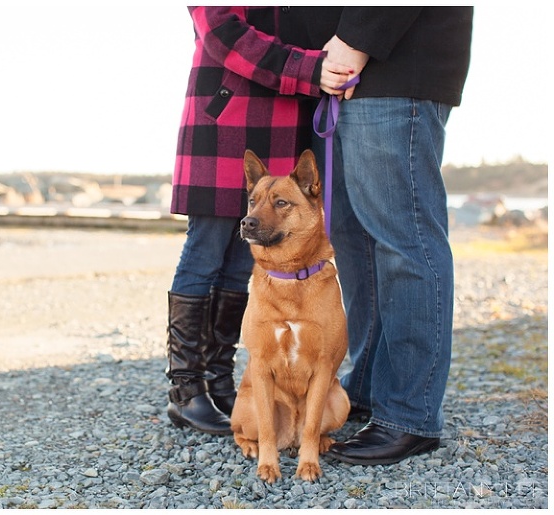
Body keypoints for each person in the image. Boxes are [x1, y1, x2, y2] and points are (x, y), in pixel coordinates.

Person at [165, 6, 354, 435]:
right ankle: (186, 391)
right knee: (204, 252)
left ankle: (219, 381)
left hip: (282, 122)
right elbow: (222, 30)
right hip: (226, 119)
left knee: (240, 265)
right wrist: (311, 69)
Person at [306, 6, 474, 464]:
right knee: (355, 242)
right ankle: (368, 386)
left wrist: (356, 40)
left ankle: (408, 414)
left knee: (406, 241)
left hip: (391, 65)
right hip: (339, 74)